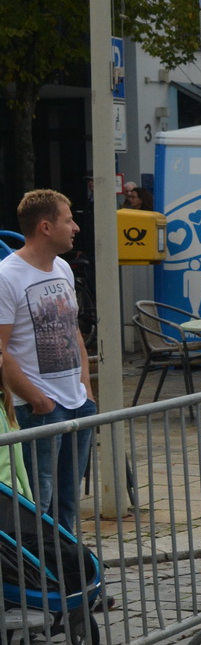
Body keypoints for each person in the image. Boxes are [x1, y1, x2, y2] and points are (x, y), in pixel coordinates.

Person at [0, 190, 97, 532]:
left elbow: (73, 331)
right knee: (37, 504)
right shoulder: (7, 276)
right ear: (45, 227)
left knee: (68, 504)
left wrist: (85, 388)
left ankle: (65, 573)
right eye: (67, 219)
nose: (75, 227)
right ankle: (36, 579)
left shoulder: (62, 269)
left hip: (75, 402)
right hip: (39, 408)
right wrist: (38, 400)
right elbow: (1, 348)